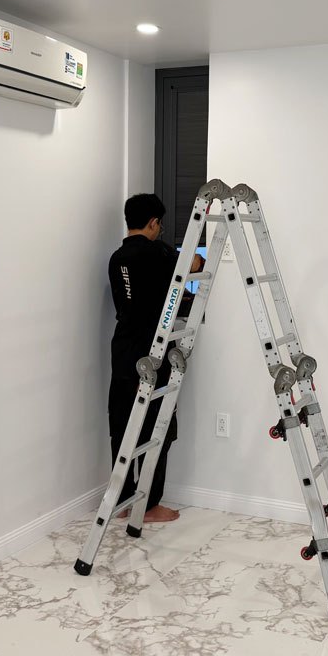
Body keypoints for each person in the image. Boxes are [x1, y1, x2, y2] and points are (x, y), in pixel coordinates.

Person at [107, 194, 205, 523]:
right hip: (154, 353)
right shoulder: (158, 252)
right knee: (158, 429)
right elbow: (194, 265)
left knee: (122, 427)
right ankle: (149, 506)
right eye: (159, 225)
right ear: (153, 223)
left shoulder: (117, 258)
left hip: (123, 352)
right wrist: (194, 258)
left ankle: (121, 500)